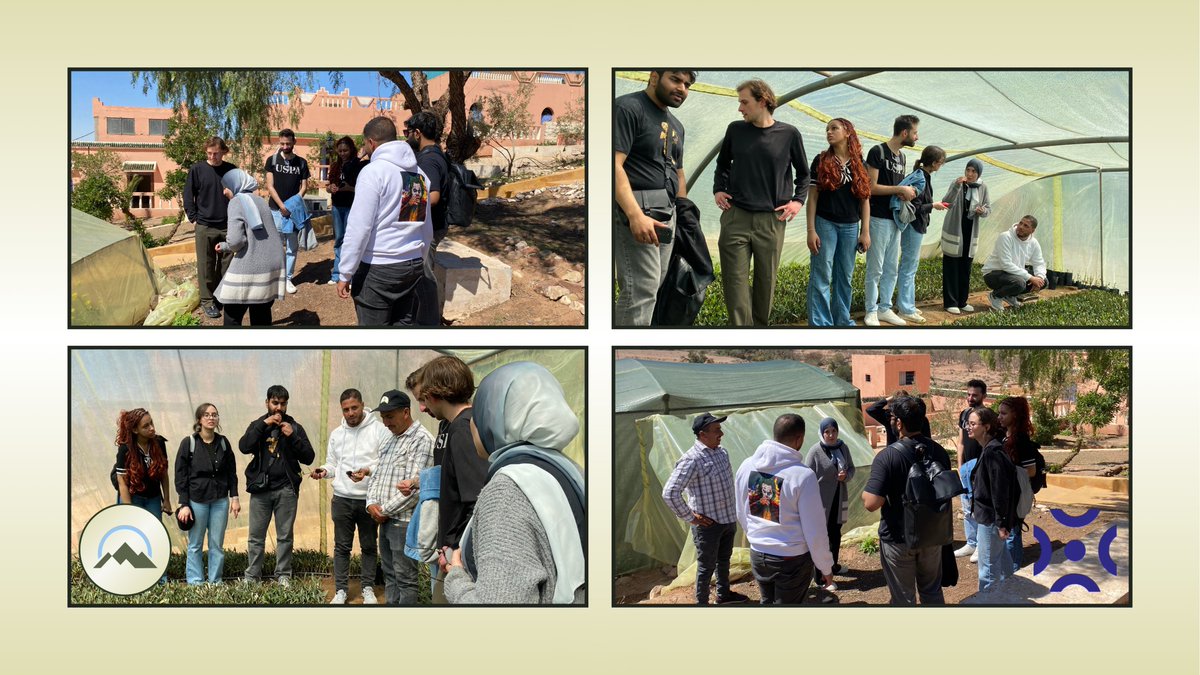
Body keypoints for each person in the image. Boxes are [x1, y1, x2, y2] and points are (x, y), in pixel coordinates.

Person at [444, 362, 585, 604]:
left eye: (479, 415)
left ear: (496, 421)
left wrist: (456, 578)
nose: (472, 424)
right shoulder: (566, 470)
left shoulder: (507, 492)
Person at [713, 79, 810, 326]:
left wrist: (798, 201)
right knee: (735, 285)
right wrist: (718, 190)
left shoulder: (789, 134)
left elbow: (804, 173)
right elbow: (723, 164)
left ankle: (759, 332)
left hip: (772, 220)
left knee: (766, 283)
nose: (740, 108)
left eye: (744, 102)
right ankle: (741, 333)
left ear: (763, 101)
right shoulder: (735, 130)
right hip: (736, 217)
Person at [336, 116, 438, 326]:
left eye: (365, 143)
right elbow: (424, 225)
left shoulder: (373, 172)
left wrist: (345, 272)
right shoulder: (418, 174)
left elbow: (359, 228)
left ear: (371, 142)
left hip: (378, 269)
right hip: (411, 265)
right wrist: (419, 256)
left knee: (374, 344)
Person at [403, 356, 489, 600]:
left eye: (422, 399)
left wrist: (457, 550)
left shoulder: (463, 428)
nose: (421, 407)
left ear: (435, 393)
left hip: (460, 552)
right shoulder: (453, 426)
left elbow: (476, 498)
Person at [613, 69, 695, 326]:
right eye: (676, 79)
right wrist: (634, 214)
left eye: (687, 84)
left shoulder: (677, 126)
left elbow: (679, 174)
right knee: (641, 290)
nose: (682, 88)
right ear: (654, 76)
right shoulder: (628, 108)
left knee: (653, 285)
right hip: (638, 210)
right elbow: (613, 165)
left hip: (667, 214)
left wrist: (683, 216)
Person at [862, 396, 952, 605]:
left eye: (892, 417)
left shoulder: (887, 457)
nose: (891, 421)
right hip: (932, 534)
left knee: (903, 599)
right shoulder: (939, 451)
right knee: (932, 592)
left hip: (898, 538)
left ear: (899, 423)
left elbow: (871, 503)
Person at [735, 413, 834, 604]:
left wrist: (756, 537)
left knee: (767, 602)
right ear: (800, 439)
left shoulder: (747, 466)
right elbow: (815, 529)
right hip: (791, 559)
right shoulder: (802, 475)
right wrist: (825, 566)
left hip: (758, 554)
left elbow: (741, 510)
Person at [310, 389, 388, 604]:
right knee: (341, 547)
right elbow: (333, 464)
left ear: (363, 405)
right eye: (346, 410)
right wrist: (324, 471)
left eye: (354, 408)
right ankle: (341, 590)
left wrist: (367, 470)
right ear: (342, 410)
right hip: (342, 499)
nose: (351, 413)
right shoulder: (337, 434)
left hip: (368, 499)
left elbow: (384, 462)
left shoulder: (379, 430)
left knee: (369, 546)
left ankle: (368, 588)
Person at [661, 412, 748, 605]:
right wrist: (691, 517)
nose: (721, 433)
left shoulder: (721, 452)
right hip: (708, 525)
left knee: (724, 560)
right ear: (703, 434)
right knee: (706, 566)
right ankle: (701, 603)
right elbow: (670, 492)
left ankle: (723, 595)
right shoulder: (692, 459)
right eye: (716, 430)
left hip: (727, 519)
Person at [239, 385, 315, 585]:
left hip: (286, 490)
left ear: (287, 404)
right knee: (255, 537)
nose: (279, 408)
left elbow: (309, 457)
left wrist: (293, 437)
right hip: (261, 490)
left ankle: (283, 575)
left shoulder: (295, 427)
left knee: (285, 537)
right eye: (275, 403)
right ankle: (252, 576)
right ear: (267, 403)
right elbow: (244, 446)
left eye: (283, 403)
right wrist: (263, 424)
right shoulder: (258, 424)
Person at [367, 390, 434, 605]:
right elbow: (376, 475)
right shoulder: (390, 439)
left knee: (405, 579)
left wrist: (383, 510)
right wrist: (371, 504)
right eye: (383, 417)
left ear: (406, 412)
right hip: (385, 521)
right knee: (390, 575)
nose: (385, 422)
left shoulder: (421, 440)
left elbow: (415, 489)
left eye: (390, 416)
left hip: (403, 522)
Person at [805, 117, 871, 327]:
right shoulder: (821, 160)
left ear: (847, 132)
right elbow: (812, 196)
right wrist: (810, 230)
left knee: (845, 277)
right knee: (821, 275)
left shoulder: (860, 164)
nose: (829, 132)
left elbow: (865, 200)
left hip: (851, 226)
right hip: (825, 223)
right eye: (827, 129)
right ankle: (820, 324)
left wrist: (865, 231)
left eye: (834, 128)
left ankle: (842, 321)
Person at [863, 115, 920, 326]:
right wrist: (899, 189)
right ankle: (870, 310)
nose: (917, 136)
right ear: (904, 133)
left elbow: (898, 188)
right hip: (878, 218)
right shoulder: (878, 152)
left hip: (896, 220)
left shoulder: (902, 157)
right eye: (915, 132)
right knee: (875, 268)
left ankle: (884, 308)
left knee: (891, 269)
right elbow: (870, 188)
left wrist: (907, 192)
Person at [175, 403, 240, 585]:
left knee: (216, 544)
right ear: (199, 420)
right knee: (195, 544)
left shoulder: (223, 442)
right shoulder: (189, 443)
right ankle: (196, 582)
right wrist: (184, 503)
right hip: (197, 501)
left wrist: (234, 497)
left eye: (214, 415)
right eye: (206, 415)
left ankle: (215, 581)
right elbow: (181, 476)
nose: (211, 418)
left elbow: (231, 473)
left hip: (220, 500)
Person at [212, 168, 285, 326]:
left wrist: (226, 246)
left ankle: (233, 349)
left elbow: (237, 241)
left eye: (226, 186)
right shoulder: (259, 200)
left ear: (235, 185)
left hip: (254, 263)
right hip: (273, 262)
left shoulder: (236, 202)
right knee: (261, 312)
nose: (224, 191)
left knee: (232, 313)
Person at [891, 145, 949, 324]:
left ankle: (906, 304)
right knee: (909, 267)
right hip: (913, 226)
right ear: (934, 163)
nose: (941, 166)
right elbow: (915, 207)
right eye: (940, 163)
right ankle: (905, 309)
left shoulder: (921, 175)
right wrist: (934, 205)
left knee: (909, 266)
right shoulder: (920, 178)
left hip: (915, 226)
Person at [965, 406, 1016, 592]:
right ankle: (1013, 595)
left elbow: (999, 491)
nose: (968, 427)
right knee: (1002, 562)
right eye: (967, 423)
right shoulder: (988, 449)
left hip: (991, 520)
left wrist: (1002, 523)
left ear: (986, 427)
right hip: (991, 519)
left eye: (972, 424)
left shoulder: (992, 453)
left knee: (987, 571)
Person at [183, 136, 236, 319]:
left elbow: (239, 193)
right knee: (206, 264)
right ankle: (207, 300)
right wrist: (194, 218)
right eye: (209, 153)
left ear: (223, 151)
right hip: (204, 225)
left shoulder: (231, 170)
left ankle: (220, 295)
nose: (213, 157)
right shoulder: (197, 169)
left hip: (228, 225)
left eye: (216, 153)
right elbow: (188, 195)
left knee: (226, 264)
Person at [405, 111, 450, 320]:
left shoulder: (429, 159)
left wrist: (405, 205)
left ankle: (428, 323)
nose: (406, 138)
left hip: (430, 227)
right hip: (432, 225)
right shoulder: (434, 153)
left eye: (408, 133)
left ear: (417, 133)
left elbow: (433, 197)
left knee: (425, 276)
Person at [804, 417, 856, 585]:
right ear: (821, 433)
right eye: (827, 432)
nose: (831, 435)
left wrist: (845, 476)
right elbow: (806, 476)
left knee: (835, 533)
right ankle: (819, 577)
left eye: (833, 431)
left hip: (839, 498)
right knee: (821, 537)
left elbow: (851, 468)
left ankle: (832, 567)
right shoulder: (815, 451)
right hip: (821, 502)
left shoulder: (843, 447)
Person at [940, 158, 991, 313]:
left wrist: (982, 211)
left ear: (978, 173)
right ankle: (950, 303)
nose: (969, 174)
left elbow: (988, 208)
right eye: (968, 170)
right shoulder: (957, 183)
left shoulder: (983, 187)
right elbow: (946, 203)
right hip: (955, 229)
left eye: (973, 171)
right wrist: (956, 186)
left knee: (965, 267)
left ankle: (962, 301)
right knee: (951, 266)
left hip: (971, 230)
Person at [264, 129, 311, 294]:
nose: (285, 146)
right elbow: (270, 186)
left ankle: (288, 278)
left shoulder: (302, 163)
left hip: (293, 212)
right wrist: (282, 206)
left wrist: (290, 206)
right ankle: (276, 276)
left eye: (288, 144)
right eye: (282, 143)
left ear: (294, 142)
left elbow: (304, 187)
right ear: (279, 142)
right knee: (276, 246)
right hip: (276, 210)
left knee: (292, 246)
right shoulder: (272, 160)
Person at [998, 396, 1039, 573]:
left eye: (1003, 413)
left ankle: (1013, 570)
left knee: (1013, 533)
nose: (999, 417)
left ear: (1014, 415)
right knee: (1008, 531)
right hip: (1008, 493)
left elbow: (1031, 470)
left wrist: (1009, 473)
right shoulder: (1005, 437)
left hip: (1016, 494)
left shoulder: (1021, 440)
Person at [112, 408, 174, 520]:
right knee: (135, 532)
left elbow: (163, 473)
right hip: (133, 497)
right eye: (146, 426)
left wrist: (166, 499)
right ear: (135, 430)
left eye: (151, 423)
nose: (152, 428)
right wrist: (129, 508)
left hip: (153, 497)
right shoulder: (125, 449)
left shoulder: (159, 443)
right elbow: (122, 482)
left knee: (154, 531)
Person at [982, 215, 1046, 311]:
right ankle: (995, 296)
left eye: (1026, 226)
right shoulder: (1005, 237)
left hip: (1013, 274)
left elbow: (1039, 263)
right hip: (993, 274)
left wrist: (1040, 277)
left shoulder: (1033, 243)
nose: (1020, 227)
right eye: (1021, 223)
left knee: (1043, 282)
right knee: (1019, 283)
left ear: (1032, 231)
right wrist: (1031, 278)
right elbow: (1006, 264)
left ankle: (1009, 295)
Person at [954, 379, 987, 561]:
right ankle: (971, 543)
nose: (970, 398)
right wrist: (960, 466)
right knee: (967, 507)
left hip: (981, 467)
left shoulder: (987, 415)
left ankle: (981, 546)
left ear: (983, 396)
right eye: (968, 394)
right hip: (966, 467)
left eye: (975, 395)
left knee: (979, 507)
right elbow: (960, 443)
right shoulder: (964, 414)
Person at [326, 136, 364, 286]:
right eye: (340, 150)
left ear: (351, 150)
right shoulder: (335, 166)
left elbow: (362, 188)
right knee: (339, 240)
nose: (342, 153)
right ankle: (337, 273)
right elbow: (329, 185)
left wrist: (350, 188)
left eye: (345, 150)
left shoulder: (357, 165)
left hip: (352, 206)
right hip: (337, 206)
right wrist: (331, 188)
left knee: (352, 240)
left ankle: (352, 274)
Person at [866, 390, 930, 447]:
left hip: (912, 450)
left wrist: (887, 400)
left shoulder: (919, 417)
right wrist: (887, 400)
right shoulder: (889, 416)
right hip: (896, 450)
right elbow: (870, 410)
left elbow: (927, 438)